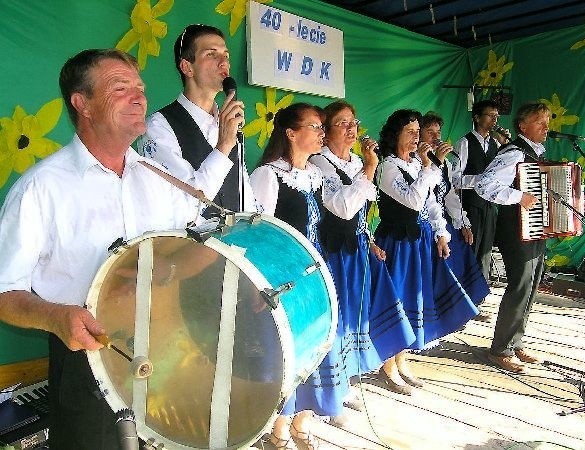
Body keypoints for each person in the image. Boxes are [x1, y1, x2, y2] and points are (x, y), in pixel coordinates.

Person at [0, 49, 204, 449]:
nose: (139, 97)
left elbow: (196, 245)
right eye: (120, 87)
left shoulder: (161, 178)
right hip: (87, 360)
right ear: (82, 103)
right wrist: (57, 317)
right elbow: (3, 292)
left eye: (141, 89)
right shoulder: (41, 189)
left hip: (168, 350)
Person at [310, 101, 416, 418]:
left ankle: (347, 381)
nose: (351, 128)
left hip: (356, 249)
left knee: (357, 318)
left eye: (353, 122)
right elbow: (341, 208)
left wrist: (369, 239)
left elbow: (359, 213)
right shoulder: (320, 163)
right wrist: (369, 169)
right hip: (334, 252)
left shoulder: (355, 160)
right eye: (342, 123)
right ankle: (330, 391)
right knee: (337, 320)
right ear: (326, 131)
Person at [249, 103, 343, 449]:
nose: (322, 133)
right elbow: (257, 237)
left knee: (320, 346)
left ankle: (304, 420)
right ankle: (278, 430)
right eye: (315, 127)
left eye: (322, 128)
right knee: (290, 352)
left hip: (316, 275)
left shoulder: (316, 175)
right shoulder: (269, 175)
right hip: (285, 280)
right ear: (290, 133)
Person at [374, 109, 479, 392]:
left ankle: (402, 358)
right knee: (397, 297)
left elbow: (431, 204)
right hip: (398, 241)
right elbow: (411, 200)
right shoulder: (387, 167)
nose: (416, 138)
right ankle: (387, 365)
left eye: (418, 133)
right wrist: (430, 167)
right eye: (409, 132)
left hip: (419, 240)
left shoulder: (417, 167)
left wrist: (441, 232)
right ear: (395, 134)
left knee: (414, 299)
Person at [138, 23, 255, 217]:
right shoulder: (158, 126)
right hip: (191, 246)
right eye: (211, 54)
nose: (223, 62)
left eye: (226, 55)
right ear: (187, 67)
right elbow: (185, 203)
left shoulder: (227, 122)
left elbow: (243, 191)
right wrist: (224, 146)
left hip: (238, 243)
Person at [474, 102, 550, 373]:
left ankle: (515, 342)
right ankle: (500, 349)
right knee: (519, 286)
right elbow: (485, 185)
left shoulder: (537, 153)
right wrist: (519, 197)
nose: (546, 127)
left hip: (534, 228)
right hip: (516, 230)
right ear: (523, 126)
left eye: (547, 122)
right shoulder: (514, 153)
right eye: (540, 121)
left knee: (531, 286)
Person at [420, 112, 490, 307]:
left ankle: (465, 306)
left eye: (438, 132)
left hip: (444, 220)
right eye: (430, 132)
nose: (436, 137)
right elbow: (426, 198)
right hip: (426, 223)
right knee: (441, 266)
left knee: (462, 254)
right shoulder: (417, 162)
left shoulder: (446, 164)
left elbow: (450, 195)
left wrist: (463, 223)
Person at [453, 100, 511, 322]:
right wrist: (481, 181)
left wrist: (506, 145)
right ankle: (462, 301)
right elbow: (456, 179)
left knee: (485, 253)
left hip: (489, 206)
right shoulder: (465, 143)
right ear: (477, 117)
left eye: (497, 116)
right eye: (490, 115)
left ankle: (477, 302)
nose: (495, 120)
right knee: (471, 252)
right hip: (471, 206)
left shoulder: (496, 145)